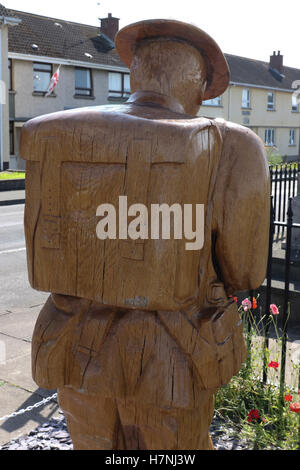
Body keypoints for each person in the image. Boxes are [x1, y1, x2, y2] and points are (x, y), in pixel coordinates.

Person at [21, 19, 270, 450]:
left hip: (71, 342)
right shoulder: (232, 144)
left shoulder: (57, 131)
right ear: (199, 83)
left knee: (92, 442)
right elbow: (245, 271)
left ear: (136, 72)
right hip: (172, 354)